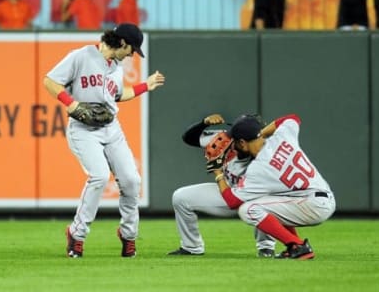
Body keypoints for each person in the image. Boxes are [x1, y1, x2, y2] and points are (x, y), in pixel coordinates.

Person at [43, 23, 165, 258]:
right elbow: (50, 81)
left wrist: (145, 86)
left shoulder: (117, 67)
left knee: (131, 180)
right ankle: (76, 235)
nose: (132, 54)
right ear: (121, 42)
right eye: (131, 49)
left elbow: (118, 95)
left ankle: (129, 235)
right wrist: (72, 104)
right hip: (83, 129)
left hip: (111, 129)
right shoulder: (81, 56)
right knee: (99, 176)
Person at [209, 114, 336, 260]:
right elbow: (292, 118)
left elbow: (232, 201)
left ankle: (297, 246)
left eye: (236, 143)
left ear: (242, 143)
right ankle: (294, 246)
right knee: (268, 201)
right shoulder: (281, 137)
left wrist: (218, 173)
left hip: (312, 205)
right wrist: (259, 134)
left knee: (248, 210)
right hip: (319, 196)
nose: (235, 146)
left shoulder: (258, 169)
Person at [168, 114, 276, 257]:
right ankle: (191, 247)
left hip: (252, 198)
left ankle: (266, 247)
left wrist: (217, 172)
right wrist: (203, 123)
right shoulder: (226, 139)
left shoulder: (269, 152)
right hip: (226, 191)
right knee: (181, 197)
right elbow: (189, 138)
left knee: (266, 199)